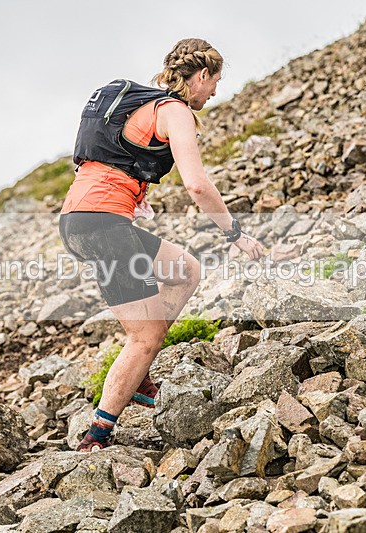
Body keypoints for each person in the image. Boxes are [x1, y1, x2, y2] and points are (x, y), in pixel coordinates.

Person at [58, 38, 265, 452]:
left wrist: (134, 193)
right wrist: (235, 233)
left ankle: (139, 372)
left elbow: (112, 158)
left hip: (82, 218)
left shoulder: (143, 104)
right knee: (144, 337)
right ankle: (96, 436)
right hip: (103, 224)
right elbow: (197, 185)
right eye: (215, 82)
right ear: (201, 75)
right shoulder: (175, 111)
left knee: (186, 270)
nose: (215, 92)